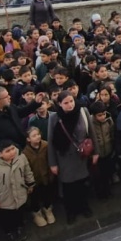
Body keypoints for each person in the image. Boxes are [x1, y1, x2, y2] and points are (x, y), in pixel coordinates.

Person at [47, 92, 92, 223]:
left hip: (82, 155)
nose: (70, 105)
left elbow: (91, 133)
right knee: (68, 187)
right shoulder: (54, 118)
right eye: (66, 103)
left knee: (82, 184)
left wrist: (95, 152)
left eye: (71, 101)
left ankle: (84, 207)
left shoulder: (82, 111)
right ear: (60, 104)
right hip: (65, 158)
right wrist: (53, 163)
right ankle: (70, 211)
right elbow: (51, 141)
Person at [0, 140, 36, 241]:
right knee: (7, 217)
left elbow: (27, 171)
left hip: (20, 192)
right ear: (0, 154)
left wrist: (30, 183)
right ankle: (9, 232)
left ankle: (20, 227)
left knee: (20, 213)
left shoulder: (21, 158)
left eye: (13, 149)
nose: (12, 152)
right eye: (7, 151)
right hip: (5, 197)